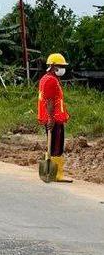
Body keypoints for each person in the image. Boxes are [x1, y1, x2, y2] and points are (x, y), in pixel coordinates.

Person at [38, 53, 71, 183]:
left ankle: (50, 172)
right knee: (57, 146)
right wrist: (51, 118)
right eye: (60, 66)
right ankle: (56, 174)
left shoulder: (48, 78)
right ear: (52, 66)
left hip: (54, 117)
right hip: (54, 119)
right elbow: (50, 101)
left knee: (52, 145)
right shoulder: (51, 80)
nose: (62, 68)